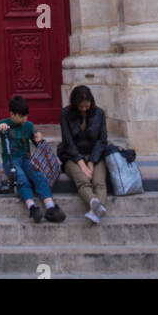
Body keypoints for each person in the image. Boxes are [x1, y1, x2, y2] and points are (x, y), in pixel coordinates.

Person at [0, 94, 66, 224]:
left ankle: (50, 207)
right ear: (12, 114)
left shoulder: (28, 126)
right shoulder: (3, 124)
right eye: (21, 116)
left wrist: (39, 138)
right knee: (21, 177)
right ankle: (32, 207)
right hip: (11, 161)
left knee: (38, 176)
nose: (24, 119)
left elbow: (36, 143)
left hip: (27, 159)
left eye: (26, 116)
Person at [57, 84, 109, 224]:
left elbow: (102, 140)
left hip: (95, 154)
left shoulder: (99, 113)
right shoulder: (66, 114)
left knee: (99, 182)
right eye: (81, 107)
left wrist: (92, 162)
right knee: (83, 180)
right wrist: (81, 163)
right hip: (72, 156)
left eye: (87, 106)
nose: (84, 109)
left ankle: (95, 212)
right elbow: (67, 141)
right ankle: (94, 202)